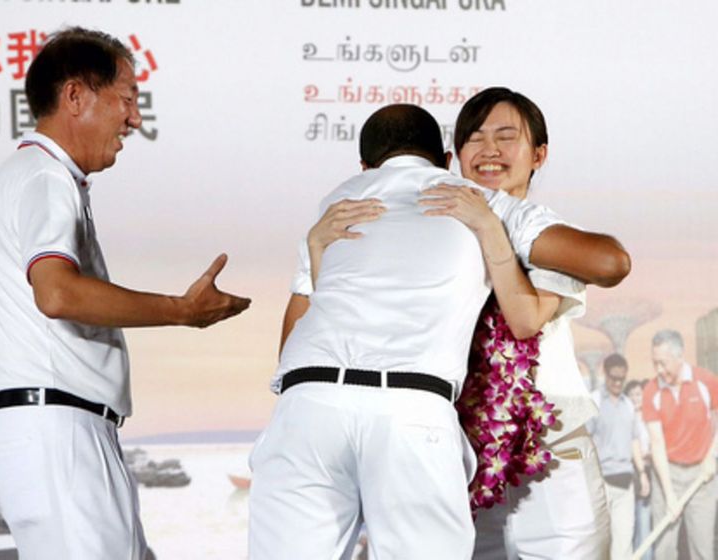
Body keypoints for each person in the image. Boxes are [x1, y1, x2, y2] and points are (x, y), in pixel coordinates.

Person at [249, 103, 629, 559]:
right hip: (420, 417)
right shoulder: (473, 200)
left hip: (312, 407)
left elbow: (294, 339)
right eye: (475, 138)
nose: (489, 150)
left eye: (506, 137)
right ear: (449, 159)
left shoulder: (339, 205)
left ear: (366, 167)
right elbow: (609, 263)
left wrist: (317, 249)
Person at [0, 27, 250, 560]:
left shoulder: (40, 176)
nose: (135, 119)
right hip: (58, 429)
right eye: (127, 98)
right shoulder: (46, 177)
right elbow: (56, 293)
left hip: (62, 428)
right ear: (75, 96)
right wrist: (183, 312)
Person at [641, 329, 718, 559]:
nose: (658, 370)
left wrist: (711, 457)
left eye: (663, 363)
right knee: (664, 548)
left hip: (701, 475)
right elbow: (656, 444)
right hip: (667, 473)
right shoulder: (651, 391)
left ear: (679, 356)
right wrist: (669, 495)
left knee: (702, 548)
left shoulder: (706, 381)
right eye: (655, 363)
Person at [587, 353, 643, 559]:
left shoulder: (629, 405)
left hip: (625, 484)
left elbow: (634, 440)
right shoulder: (594, 401)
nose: (618, 383)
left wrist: (643, 474)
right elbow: (586, 442)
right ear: (605, 374)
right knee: (599, 544)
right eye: (614, 378)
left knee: (623, 543)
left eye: (622, 378)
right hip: (601, 485)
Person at [625, 378, 652, 560]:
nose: (636, 398)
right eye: (632, 395)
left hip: (649, 471)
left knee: (645, 520)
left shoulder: (649, 418)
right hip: (632, 473)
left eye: (638, 394)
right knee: (632, 522)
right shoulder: (626, 419)